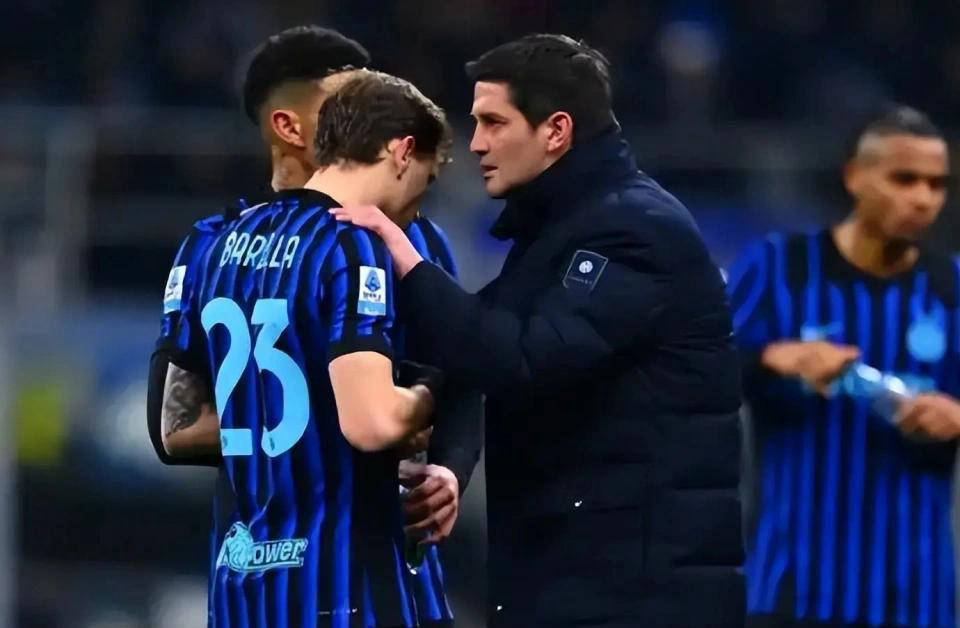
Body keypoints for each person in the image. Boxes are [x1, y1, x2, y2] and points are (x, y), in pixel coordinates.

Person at [332, 34, 744, 628]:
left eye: (494, 122)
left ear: (556, 131)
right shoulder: (561, 230)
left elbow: (520, 358)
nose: (476, 143)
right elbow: (472, 347)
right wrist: (450, 466)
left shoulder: (634, 231)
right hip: (581, 573)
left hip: (635, 592)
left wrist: (406, 259)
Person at [147, 25, 478, 626]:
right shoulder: (375, 244)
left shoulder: (212, 244)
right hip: (355, 581)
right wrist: (351, 409)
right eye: (344, 102)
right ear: (290, 127)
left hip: (255, 583)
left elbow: (176, 426)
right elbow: (431, 390)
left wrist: (451, 471)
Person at [726, 105, 958, 628]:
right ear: (854, 176)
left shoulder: (953, 287)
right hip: (793, 588)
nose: (923, 198)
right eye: (904, 179)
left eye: (937, 184)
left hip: (916, 597)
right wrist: (773, 357)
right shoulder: (779, 268)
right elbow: (699, 373)